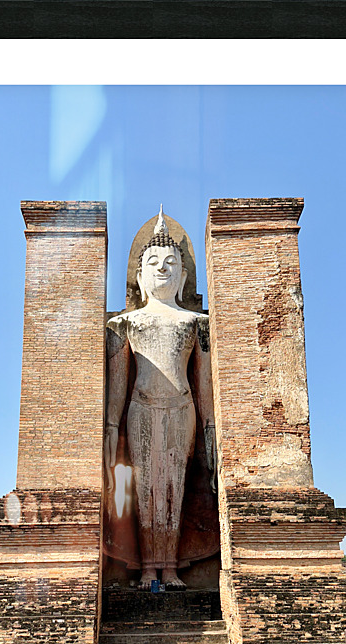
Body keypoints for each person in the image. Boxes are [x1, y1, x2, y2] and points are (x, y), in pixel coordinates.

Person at [105, 208, 216, 590]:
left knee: (175, 488)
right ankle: (149, 567)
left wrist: (211, 427)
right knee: (145, 489)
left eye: (172, 262)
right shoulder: (125, 324)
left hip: (181, 409)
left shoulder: (197, 324)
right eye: (153, 262)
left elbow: (204, 384)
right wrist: (110, 426)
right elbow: (119, 383)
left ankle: (170, 567)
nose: (163, 268)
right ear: (140, 275)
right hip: (140, 409)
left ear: (184, 276)